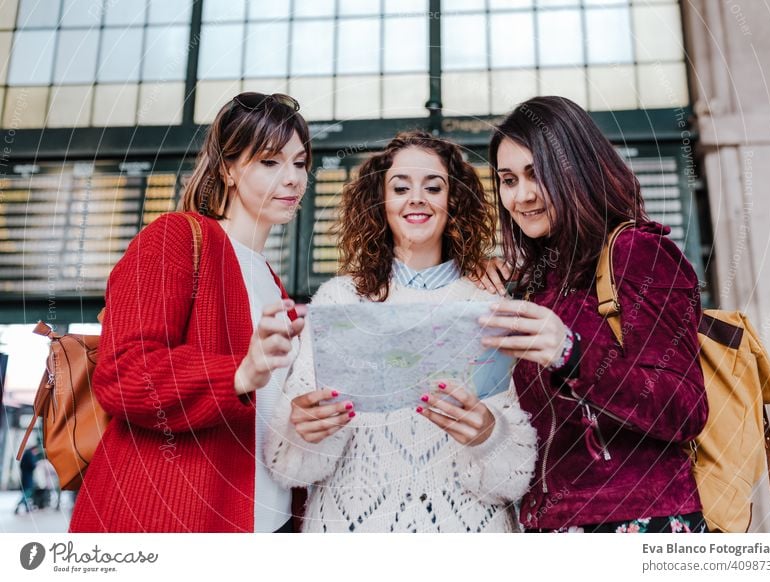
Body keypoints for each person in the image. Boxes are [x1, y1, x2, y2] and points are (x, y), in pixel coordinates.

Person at [263, 131, 537, 533]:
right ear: (381, 202)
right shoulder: (339, 301)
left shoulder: (489, 305)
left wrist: (489, 436)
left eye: (433, 187)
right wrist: (303, 432)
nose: (417, 198)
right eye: (400, 187)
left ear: (454, 202)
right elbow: (289, 464)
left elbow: (512, 477)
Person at [69, 93, 311, 532]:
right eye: (271, 162)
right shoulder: (176, 238)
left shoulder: (269, 278)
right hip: (174, 516)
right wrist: (238, 373)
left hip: (265, 520)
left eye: (300, 162)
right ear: (228, 169)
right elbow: (123, 374)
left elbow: (265, 409)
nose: (293, 178)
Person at [480, 96, 709, 533]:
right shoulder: (537, 282)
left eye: (537, 173)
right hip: (546, 525)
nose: (522, 195)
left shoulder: (639, 253)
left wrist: (573, 352)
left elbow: (686, 408)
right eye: (508, 180)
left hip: (637, 518)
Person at [14, 443, 41, 514]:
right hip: (28, 477)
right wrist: (36, 464)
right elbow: (32, 465)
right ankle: (19, 505)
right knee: (27, 492)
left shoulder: (26, 454)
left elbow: (21, 466)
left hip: (24, 476)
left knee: (26, 492)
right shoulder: (30, 455)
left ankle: (27, 508)